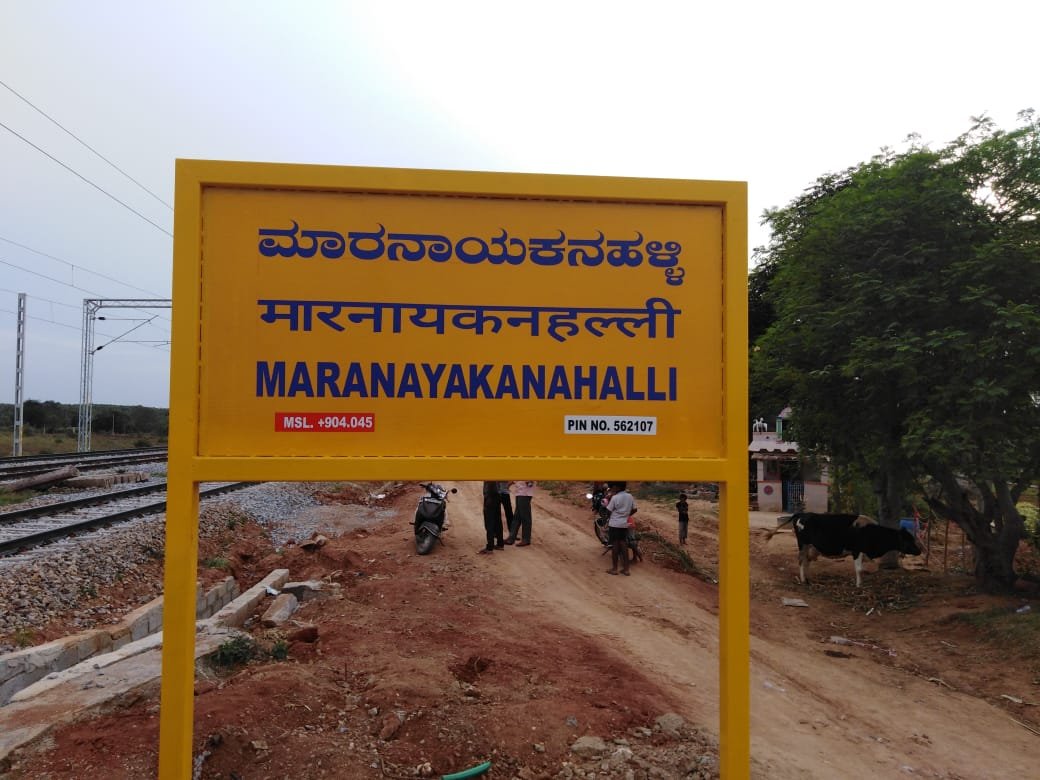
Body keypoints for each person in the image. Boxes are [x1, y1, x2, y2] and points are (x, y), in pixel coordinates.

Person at [604, 481, 636, 576]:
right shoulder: (630, 496)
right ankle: (626, 569)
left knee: (615, 545)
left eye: (613, 487)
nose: (612, 488)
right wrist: (626, 515)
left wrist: (613, 516)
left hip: (614, 524)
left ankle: (614, 569)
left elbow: (608, 510)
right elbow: (635, 509)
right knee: (624, 544)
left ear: (617, 487)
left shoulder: (615, 497)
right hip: (624, 524)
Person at [480, 481, 505, 554]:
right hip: (497, 495)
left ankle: (490, 547)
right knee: (497, 521)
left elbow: (491, 484)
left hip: (491, 496)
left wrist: (488, 497)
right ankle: (500, 543)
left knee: (489, 522)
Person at [507, 481, 536, 545]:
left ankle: (526, 539)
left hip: (525, 493)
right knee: (517, 517)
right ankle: (511, 538)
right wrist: (509, 484)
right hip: (519, 492)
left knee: (525, 517)